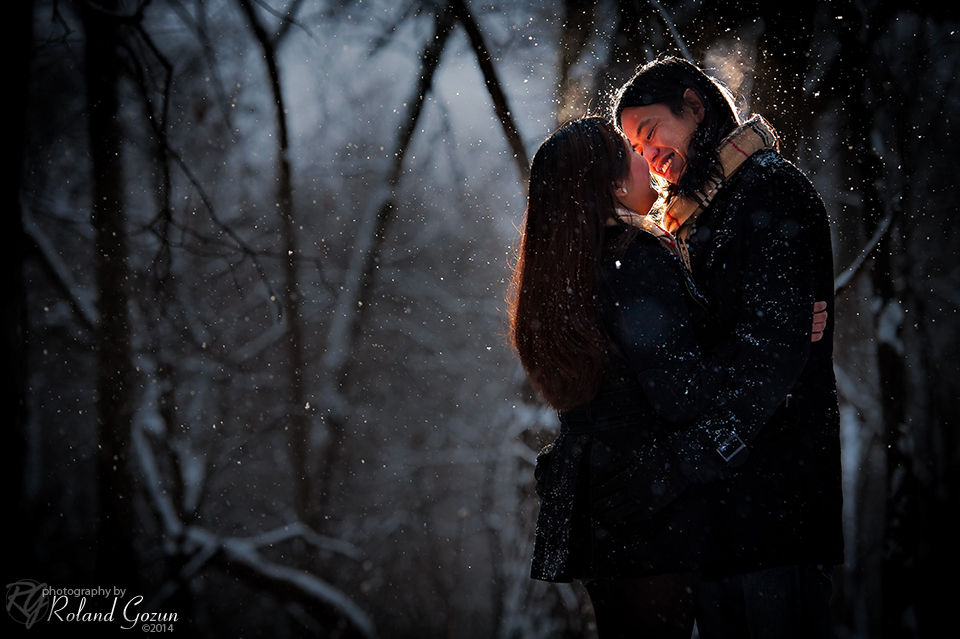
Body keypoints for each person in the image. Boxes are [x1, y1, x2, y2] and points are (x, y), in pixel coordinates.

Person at [613, 56, 842, 638]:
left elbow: (771, 360)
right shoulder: (695, 215)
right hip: (717, 516)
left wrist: (689, 457)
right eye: (634, 150)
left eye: (650, 134)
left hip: (776, 504)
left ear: (694, 106)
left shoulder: (768, 190)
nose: (647, 156)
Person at [510, 115, 738, 637]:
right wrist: (757, 337)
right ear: (612, 182)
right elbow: (683, 397)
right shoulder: (635, 264)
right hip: (650, 507)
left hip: (599, 502)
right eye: (631, 150)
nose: (647, 158)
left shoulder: (569, 271)